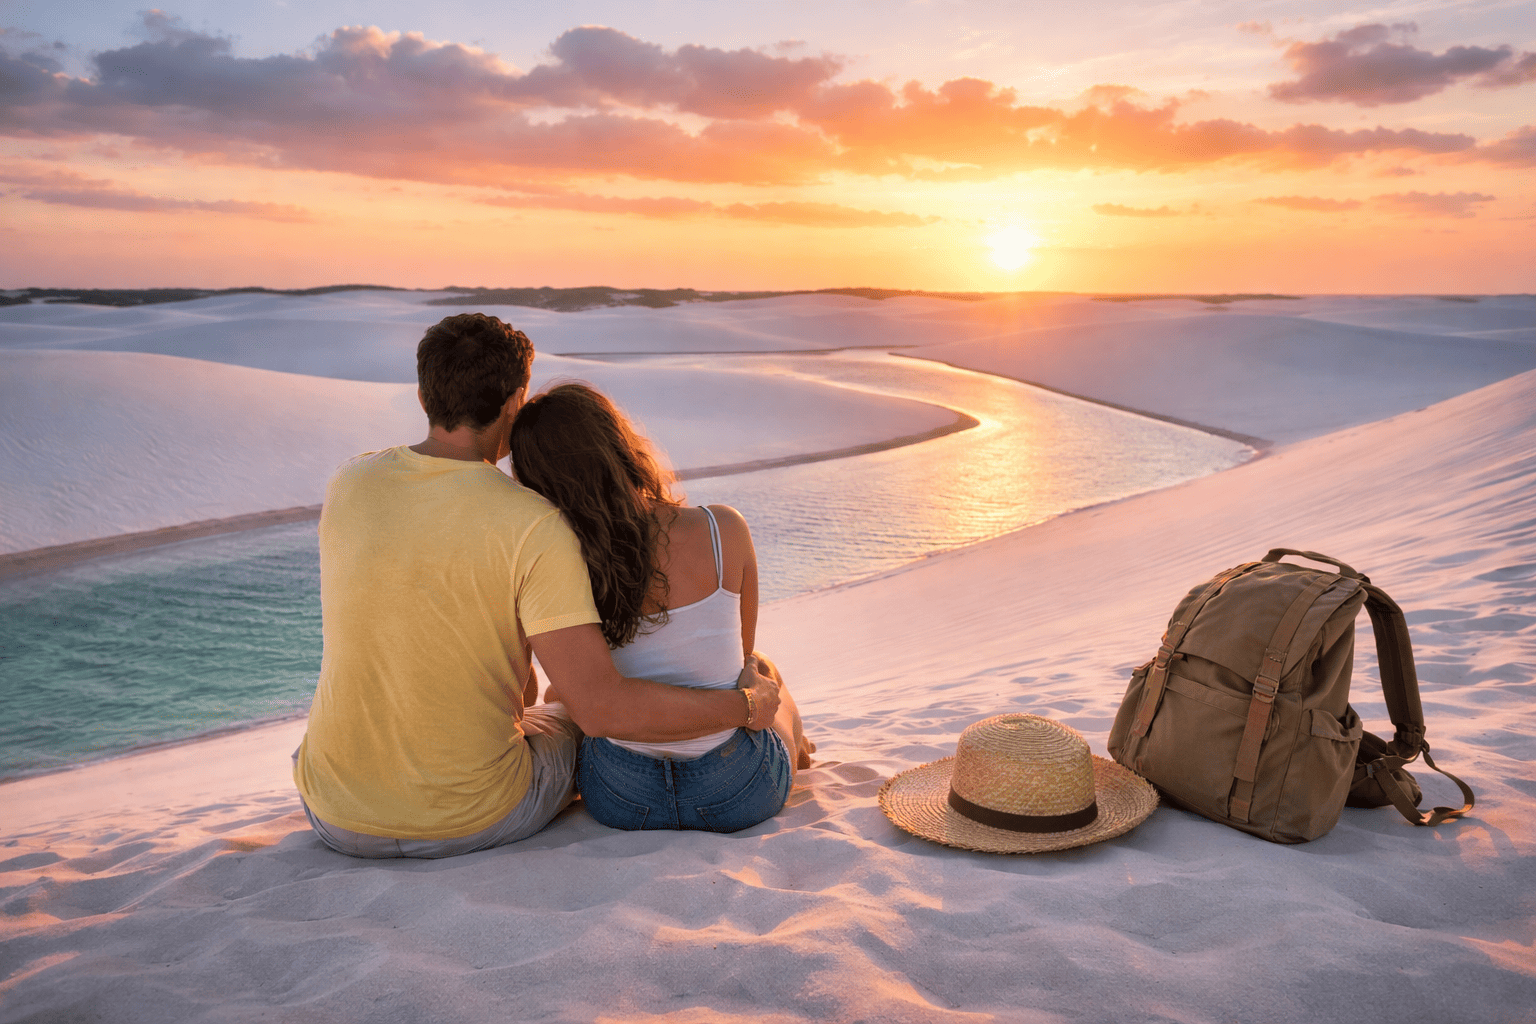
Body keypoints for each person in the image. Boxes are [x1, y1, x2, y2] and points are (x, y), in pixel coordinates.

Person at [291, 313, 781, 858]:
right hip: (475, 816)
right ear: (514, 402)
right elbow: (601, 710)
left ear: (426, 395)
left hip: (334, 815)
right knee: (573, 712)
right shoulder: (533, 522)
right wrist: (744, 706)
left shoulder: (348, 484)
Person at [510, 382, 814, 832]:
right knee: (765, 674)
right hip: (738, 791)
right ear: (620, 445)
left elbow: (570, 692)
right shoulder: (722, 528)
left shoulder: (554, 567)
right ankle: (800, 750)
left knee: (568, 697)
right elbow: (739, 659)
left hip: (622, 797)